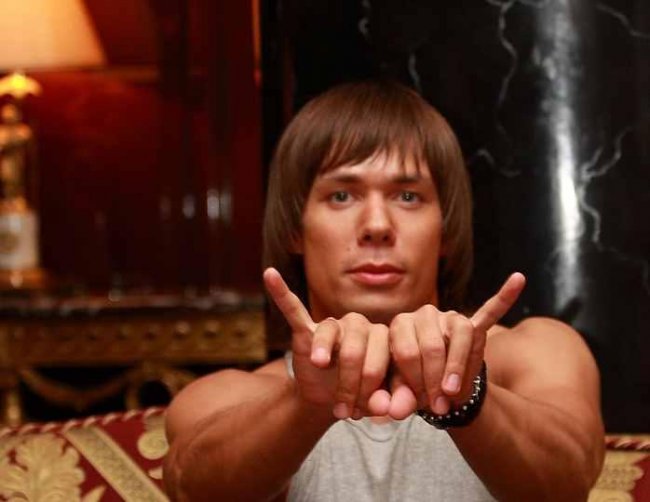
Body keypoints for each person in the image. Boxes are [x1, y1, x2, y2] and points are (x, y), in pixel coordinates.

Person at [163, 80, 604, 501]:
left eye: (407, 196)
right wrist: (307, 406)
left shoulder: (536, 351)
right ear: (295, 228)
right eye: (342, 196)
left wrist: (466, 397)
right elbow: (191, 488)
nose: (377, 225)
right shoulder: (232, 396)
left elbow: (568, 486)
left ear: (446, 230)